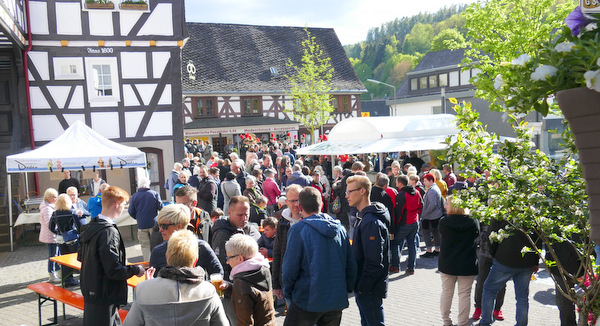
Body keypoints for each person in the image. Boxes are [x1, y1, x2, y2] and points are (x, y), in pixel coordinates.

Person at [282, 187, 356, 325]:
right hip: (335, 299)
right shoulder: (340, 229)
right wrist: (346, 288)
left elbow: (289, 268)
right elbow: (350, 264)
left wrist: (289, 292)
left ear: (300, 206)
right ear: (321, 205)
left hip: (307, 298)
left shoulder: (298, 230)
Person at [124, 229, 228, 326]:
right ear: (195, 260)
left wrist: (149, 286)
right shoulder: (208, 291)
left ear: (166, 257)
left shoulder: (143, 289)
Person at [78, 186, 146, 326]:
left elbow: (82, 257)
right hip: (104, 294)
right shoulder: (108, 232)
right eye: (123, 204)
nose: (124, 208)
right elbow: (113, 269)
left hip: (92, 290)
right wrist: (135, 270)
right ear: (117, 204)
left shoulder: (92, 225)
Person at [346, 175, 390, 326]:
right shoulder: (364, 217)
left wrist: (363, 287)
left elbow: (374, 261)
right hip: (365, 285)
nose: (347, 196)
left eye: (350, 191)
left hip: (369, 287)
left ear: (362, 191)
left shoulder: (370, 221)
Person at [478, 220, 540, 326]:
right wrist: (535, 261)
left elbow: (491, 236)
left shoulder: (502, 211)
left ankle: (485, 322)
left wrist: (495, 254)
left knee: (489, 290)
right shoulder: (531, 212)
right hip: (526, 261)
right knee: (522, 297)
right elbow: (538, 240)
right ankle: (521, 324)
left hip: (504, 259)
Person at [149, 204, 222, 277]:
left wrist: (202, 287)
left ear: (179, 226)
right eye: (159, 225)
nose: (160, 229)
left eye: (164, 226)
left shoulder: (202, 247)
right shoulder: (157, 252)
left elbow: (218, 273)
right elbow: (154, 281)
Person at [438, 196, 479, 326]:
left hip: (448, 262)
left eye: (447, 204)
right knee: (465, 295)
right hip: (467, 263)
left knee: (447, 293)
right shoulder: (473, 221)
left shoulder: (444, 222)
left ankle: (446, 321)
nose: (445, 207)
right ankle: (462, 323)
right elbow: (477, 235)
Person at [220, 234, 276, 325]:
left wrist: (235, 287)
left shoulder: (241, 283)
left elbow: (245, 323)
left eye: (228, 257)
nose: (227, 261)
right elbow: (253, 296)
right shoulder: (263, 268)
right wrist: (229, 287)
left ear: (240, 258)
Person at [211, 195, 260, 280]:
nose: (244, 219)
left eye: (246, 215)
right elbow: (220, 265)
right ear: (229, 212)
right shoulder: (222, 234)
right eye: (240, 215)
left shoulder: (247, 228)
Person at [272, 184, 303, 301]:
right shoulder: (282, 221)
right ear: (286, 202)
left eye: (299, 200)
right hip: (287, 282)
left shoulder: (310, 219)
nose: (296, 204)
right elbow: (277, 252)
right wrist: (276, 284)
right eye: (293, 201)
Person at [50, 194, 87, 287]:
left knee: (64, 259)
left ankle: (67, 279)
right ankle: (83, 278)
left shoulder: (54, 213)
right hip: (72, 238)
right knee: (77, 258)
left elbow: (50, 227)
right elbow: (79, 226)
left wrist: (58, 232)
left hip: (60, 238)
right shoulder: (72, 212)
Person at [391, 175, 422, 275]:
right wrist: (418, 216)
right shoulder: (416, 192)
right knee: (412, 244)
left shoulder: (402, 194)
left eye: (396, 182)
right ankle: (411, 268)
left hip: (405, 222)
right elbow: (421, 205)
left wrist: (395, 224)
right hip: (414, 221)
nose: (396, 184)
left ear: (400, 183)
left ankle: (395, 266)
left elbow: (399, 211)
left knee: (396, 243)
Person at [128, 177, 164, 261]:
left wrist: (138, 218)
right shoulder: (154, 194)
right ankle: (157, 262)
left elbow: (130, 211)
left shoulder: (134, 196)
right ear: (148, 184)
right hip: (154, 224)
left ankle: (148, 263)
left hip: (141, 224)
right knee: (156, 244)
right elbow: (161, 207)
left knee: (145, 245)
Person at [40, 188, 60, 283]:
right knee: (53, 255)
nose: (56, 199)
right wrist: (58, 230)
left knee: (56, 254)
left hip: (52, 235)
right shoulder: (47, 208)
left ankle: (57, 271)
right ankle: (51, 274)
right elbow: (49, 223)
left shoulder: (50, 206)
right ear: (49, 197)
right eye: (55, 197)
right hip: (50, 235)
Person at [421, 173, 444, 257]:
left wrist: (424, 213)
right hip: (435, 215)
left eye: (425, 181)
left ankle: (429, 250)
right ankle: (437, 249)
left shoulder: (432, 190)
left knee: (426, 233)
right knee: (435, 232)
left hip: (430, 217)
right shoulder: (434, 188)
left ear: (431, 181)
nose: (424, 183)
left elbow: (432, 204)